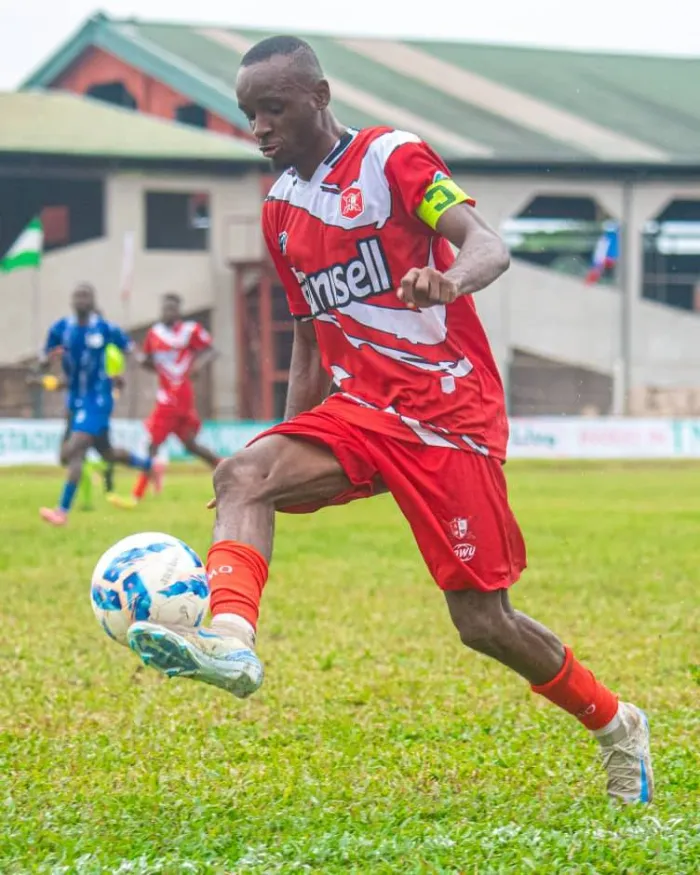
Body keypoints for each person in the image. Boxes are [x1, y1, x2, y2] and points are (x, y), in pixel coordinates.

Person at [127, 37, 653, 804]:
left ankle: (617, 725)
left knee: (481, 621)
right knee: (241, 471)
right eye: (248, 115)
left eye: (274, 108)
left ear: (320, 95)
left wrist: (446, 280)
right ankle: (231, 642)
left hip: (449, 416)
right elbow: (309, 333)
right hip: (360, 410)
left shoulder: (392, 158)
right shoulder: (279, 213)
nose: (260, 128)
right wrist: (282, 450)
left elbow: (488, 246)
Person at [38, 283, 159, 526]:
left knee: (76, 449)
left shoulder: (104, 329)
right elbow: (46, 353)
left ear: (93, 302)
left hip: (98, 400)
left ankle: (61, 511)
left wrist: (143, 359)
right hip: (74, 401)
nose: (81, 299)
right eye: (77, 295)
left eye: (86, 296)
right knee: (106, 452)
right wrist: (43, 362)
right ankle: (148, 465)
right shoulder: (62, 328)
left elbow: (129, 347)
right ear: (71, 301)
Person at [109, 293, 220, 509]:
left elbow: (211, 350)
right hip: (167, 396)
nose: (167, 312)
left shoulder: (190, 330)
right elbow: (148, 361)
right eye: (164, 308)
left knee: (155, 445)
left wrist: (197, 365)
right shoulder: (154, 334)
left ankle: (135, 496)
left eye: (171, 308)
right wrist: (142, 361)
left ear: (179, 311)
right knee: (189, 444)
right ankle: (228, 469)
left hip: (180, 397)